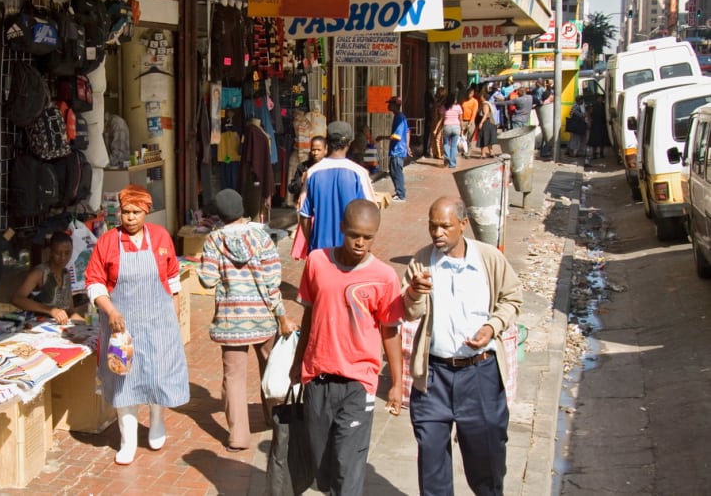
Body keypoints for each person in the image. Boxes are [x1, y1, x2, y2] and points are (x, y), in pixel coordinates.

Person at [402, 197, 524, 496]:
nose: (437, 233)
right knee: (431, 461)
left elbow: (513, 299)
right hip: (434, 378)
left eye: (445, 226)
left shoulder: (488, 259)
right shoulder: (421, 261)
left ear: (463, 225)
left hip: (480, 375)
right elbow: (408, 312)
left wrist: (491, 327)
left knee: (487, 462)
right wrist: (415, 292)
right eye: (433, 226)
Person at [289, 199, 403, 495]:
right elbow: (309, 313)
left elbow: (390, 331)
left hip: (359, 382)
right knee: (323, 468)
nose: (361, 243)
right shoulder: (316, 261)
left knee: (347, 465)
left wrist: (397, 384)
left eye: (368, 237)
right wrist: (297, 362)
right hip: (318, 378)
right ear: (342, 228)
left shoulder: (385, 277)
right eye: (355, 235)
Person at [85, 184, 190, 465]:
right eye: (125, 212)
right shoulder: (107, 242)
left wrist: (174, 317)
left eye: (136, 212)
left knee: (157, 375)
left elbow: (172, 280)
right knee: (123, 380)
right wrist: (109, 310)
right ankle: (128, 440)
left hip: (158, 324)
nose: (129, 217)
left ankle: (157, 421)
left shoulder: (160, 237)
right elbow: (94, 282)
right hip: (120, 329)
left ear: (146, 212)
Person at [198, 189, 292, 452]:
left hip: (231, 320)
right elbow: (273, 281)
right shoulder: (262, 237)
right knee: (271, 369)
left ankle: (238, 437)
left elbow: (207, 279)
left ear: (219, 214)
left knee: (234, 378)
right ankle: (276, 421)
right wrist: (281, 314)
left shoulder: (213, 240)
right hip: (263, 316)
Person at [299, 121, 377, 253]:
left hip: (320, 250)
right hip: (350, 253)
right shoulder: (359, 173)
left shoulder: (312, 173)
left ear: (327, 143)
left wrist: (310, 243)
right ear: (349, 143)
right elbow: (371, 213)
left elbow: (304, 215)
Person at [11, 231, 81, 324]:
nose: (63, 257)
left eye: (67, 253)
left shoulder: (66, 274)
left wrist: (89, 325)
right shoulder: (39, 273)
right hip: (37, 328)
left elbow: (70, 312)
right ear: (51, 252)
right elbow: (16, 299)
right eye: (58, 253)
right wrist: (50, 310)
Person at [376, 96, 409, 202]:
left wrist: (383, 137)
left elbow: (397, 136)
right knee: (393, 171)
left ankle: (401, 195)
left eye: (390, 104)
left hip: (398, 150)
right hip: (399, 149)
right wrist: (407, 146)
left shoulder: (399, 117)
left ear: (395, 105)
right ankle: (399, 192)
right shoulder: (401, 116)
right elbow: (407, 131)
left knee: (396, 173)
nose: (388, 106)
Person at [586, 94, 612, 163]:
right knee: (594, 140)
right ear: (596, 99)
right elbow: (589, 113)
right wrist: (589, 121)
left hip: (603, 124)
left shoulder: (604, 106)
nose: (600, 100)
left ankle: (601, 153)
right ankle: (594, 154)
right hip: (595, 124)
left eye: (601, 98)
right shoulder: (593, 106)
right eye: (599, 98)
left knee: (602, 140)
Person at [441, 92, 463, 169]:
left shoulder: (444, 107)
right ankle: (452, 164)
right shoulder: (458, 107)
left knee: (446, 143)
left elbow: (442, 117)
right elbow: (460, 119)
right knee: (453, 146)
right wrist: (462, 128)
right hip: (456, 127)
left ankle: (447, 156)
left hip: (447, 126)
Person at [476, 92, 499, 159]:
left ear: (484, 97)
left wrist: (481, 123)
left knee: (483, 137)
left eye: (481, 96)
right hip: (491, 123)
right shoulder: (489, 104)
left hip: (486, 123)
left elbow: (485, 114)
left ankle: (483, 154)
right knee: (489, 138)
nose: (480, 97)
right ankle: (491, 152)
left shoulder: (485, 104)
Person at [429, 87, 449, 159]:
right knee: (434, 137)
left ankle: (440, 153)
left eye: (439, 92)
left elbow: (442, 116)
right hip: (434, 120)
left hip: (440, 121)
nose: (437, 93)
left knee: (439, 138)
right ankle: (435, 153)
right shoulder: (437, 101)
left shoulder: (444, 102)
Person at [461, 86, 479, 154]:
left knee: (469, 137)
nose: (469, 95)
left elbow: (474, 113)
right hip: (463, 120)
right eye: (468, 93)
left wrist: (470, 123)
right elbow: (461, 111)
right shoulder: (463, 101)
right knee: (463, 137)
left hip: (470, 121)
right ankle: (463, 150)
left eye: (471, 93)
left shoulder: (475, 102)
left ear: (473, 93)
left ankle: (469, 151)